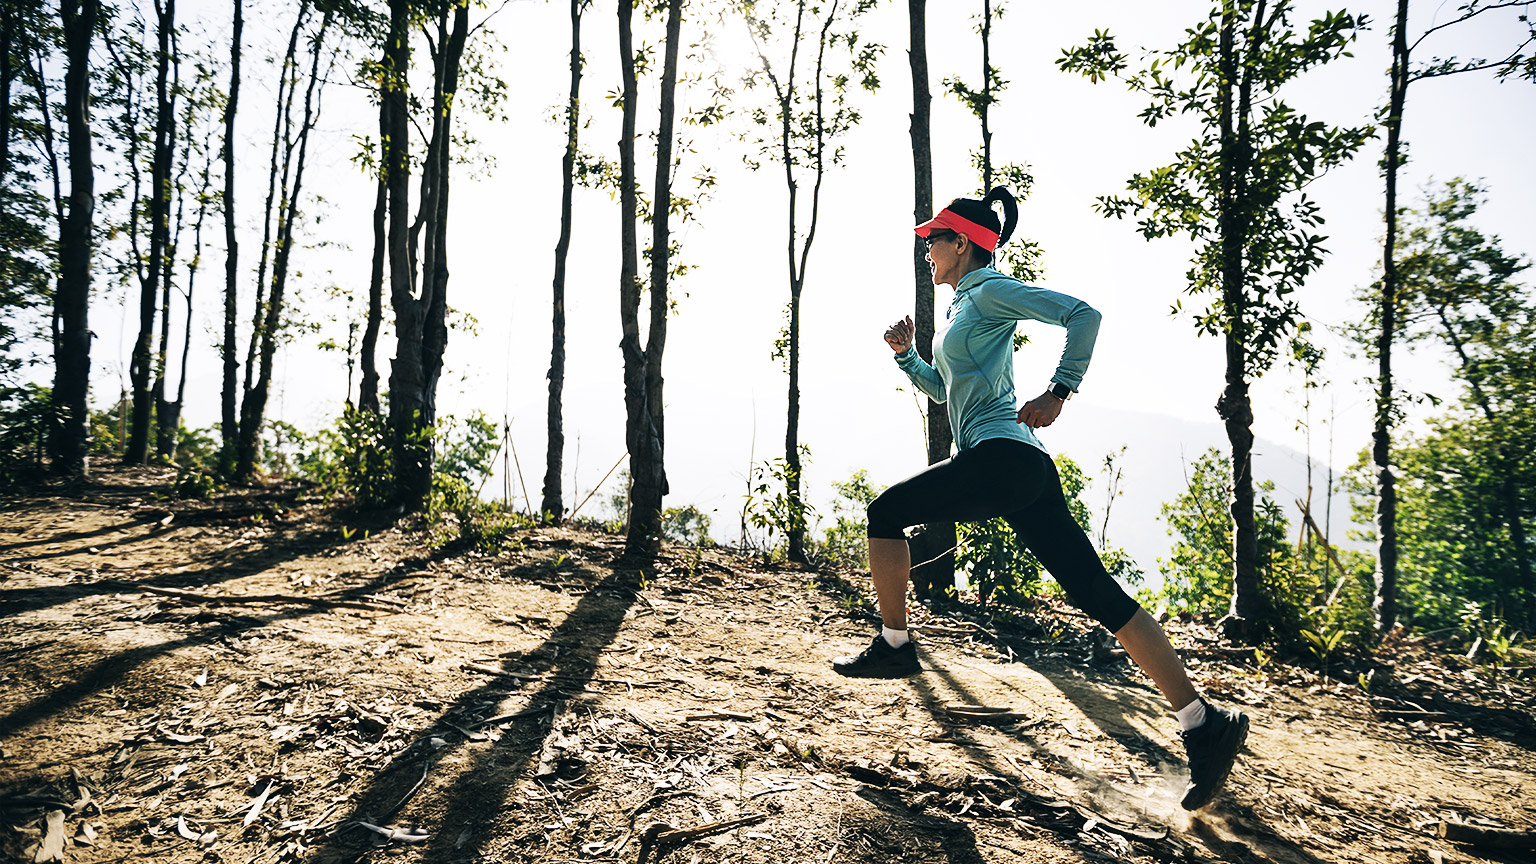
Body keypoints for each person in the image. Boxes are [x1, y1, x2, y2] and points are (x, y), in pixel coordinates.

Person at [831, 187, 1249, 811]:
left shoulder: (992, 290)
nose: (927, 249)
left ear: (964, 244)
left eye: (934, 239)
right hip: (1013, 465)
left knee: (886, 513)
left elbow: (1084, 314)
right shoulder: (966, 309)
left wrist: (1060, 391)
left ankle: (895, 646)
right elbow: (948, 395)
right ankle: (1204, 724)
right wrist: (906, 358)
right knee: (1099, 595)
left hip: (1003, 458)